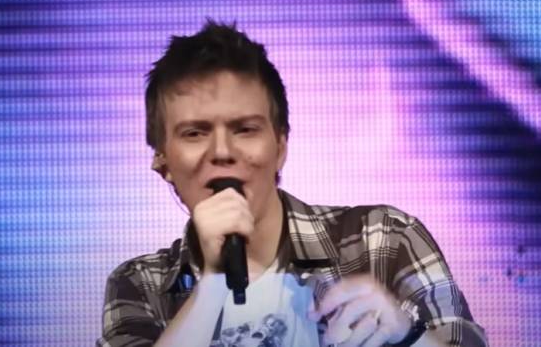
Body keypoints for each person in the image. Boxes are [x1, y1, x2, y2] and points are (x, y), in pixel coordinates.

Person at [97, 21, 487, 347]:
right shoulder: (141, 284)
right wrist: (213, 282)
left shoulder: (383, 239)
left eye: (245, 129)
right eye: (195, 133)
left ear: (280, 147)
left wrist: (409, 337)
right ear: (162, 160)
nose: (222, 151)